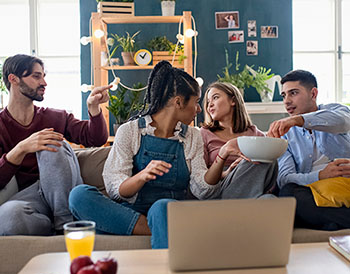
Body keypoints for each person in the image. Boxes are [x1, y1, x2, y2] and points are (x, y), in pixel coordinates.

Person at [68, 61, 245, 249]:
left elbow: (202, 189)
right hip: (131, 210)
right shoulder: (131, 131)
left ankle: (143, 229)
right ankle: (156, 229)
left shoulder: (192, 135)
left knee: (162, 207)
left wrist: (222, 156)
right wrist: (142, 176)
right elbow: (116, 189)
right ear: (178, 102)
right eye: (195, 102)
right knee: (78, 196)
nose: (199, 109)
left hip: (168, 209)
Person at [0, 54, 111, 235]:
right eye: (36, 76)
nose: (44, 82)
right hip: (31, 197)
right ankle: (54, 228)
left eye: (44, 76)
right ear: (13, 79)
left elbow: (95, 139)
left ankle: (64, 226)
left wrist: (93, 107)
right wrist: (21, 148)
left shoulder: (56, 117)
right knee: (8, 218)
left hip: (64, 189)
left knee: (50, 143)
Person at [267, 69, 350, 230]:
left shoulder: (336, 110)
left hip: (345, 184)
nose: (287, 101)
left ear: (313, 93)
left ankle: (326, 222)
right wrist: (320, 175)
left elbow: (343, 122)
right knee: (287, 193)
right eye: (284, 95)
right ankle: (334, 221)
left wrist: (298, 120)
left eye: (293, 93)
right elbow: (285, 178)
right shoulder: (285, 135)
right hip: (313, 191)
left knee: (293, 214)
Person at [201, 82, 278, 199]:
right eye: (207, 101)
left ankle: (243, 207)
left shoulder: (255, 133)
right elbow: (201, 180)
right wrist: (225, 173)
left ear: (233, 101)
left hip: (254, 190)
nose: (209, 105)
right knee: (255, 155)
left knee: (270, 199)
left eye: (215, 98)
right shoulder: (204, 134)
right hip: (221, 189)